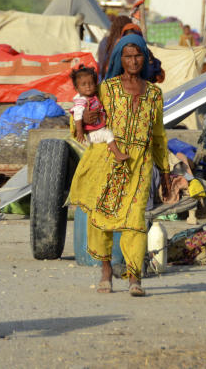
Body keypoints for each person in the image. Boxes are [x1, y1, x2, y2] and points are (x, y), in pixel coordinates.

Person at [67, 34, 170, 297]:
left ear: (145, 58)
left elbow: (158, 135)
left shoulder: (155, 94)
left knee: (135, 221)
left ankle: (134, 277)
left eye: (138, 56)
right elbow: (79, 118)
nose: (133, 61)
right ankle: (105, 271)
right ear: (119, 60)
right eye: (127, 56)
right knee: (102, 218)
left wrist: (166, 173)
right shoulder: (106, 89)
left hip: (141, 163)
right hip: (107, 160)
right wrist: (85, 118)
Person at [70, 65, 128, 163]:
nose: (88, 86)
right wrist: (79, 131)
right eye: (83, 84)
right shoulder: (81, 101)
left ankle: (113, 151)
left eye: (91, 83)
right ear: (77, 88)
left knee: (109, 135)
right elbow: (77, 115)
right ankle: (118, 155)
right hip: (93, 134)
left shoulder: (93, 97)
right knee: (108, 134)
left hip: (98, 129)